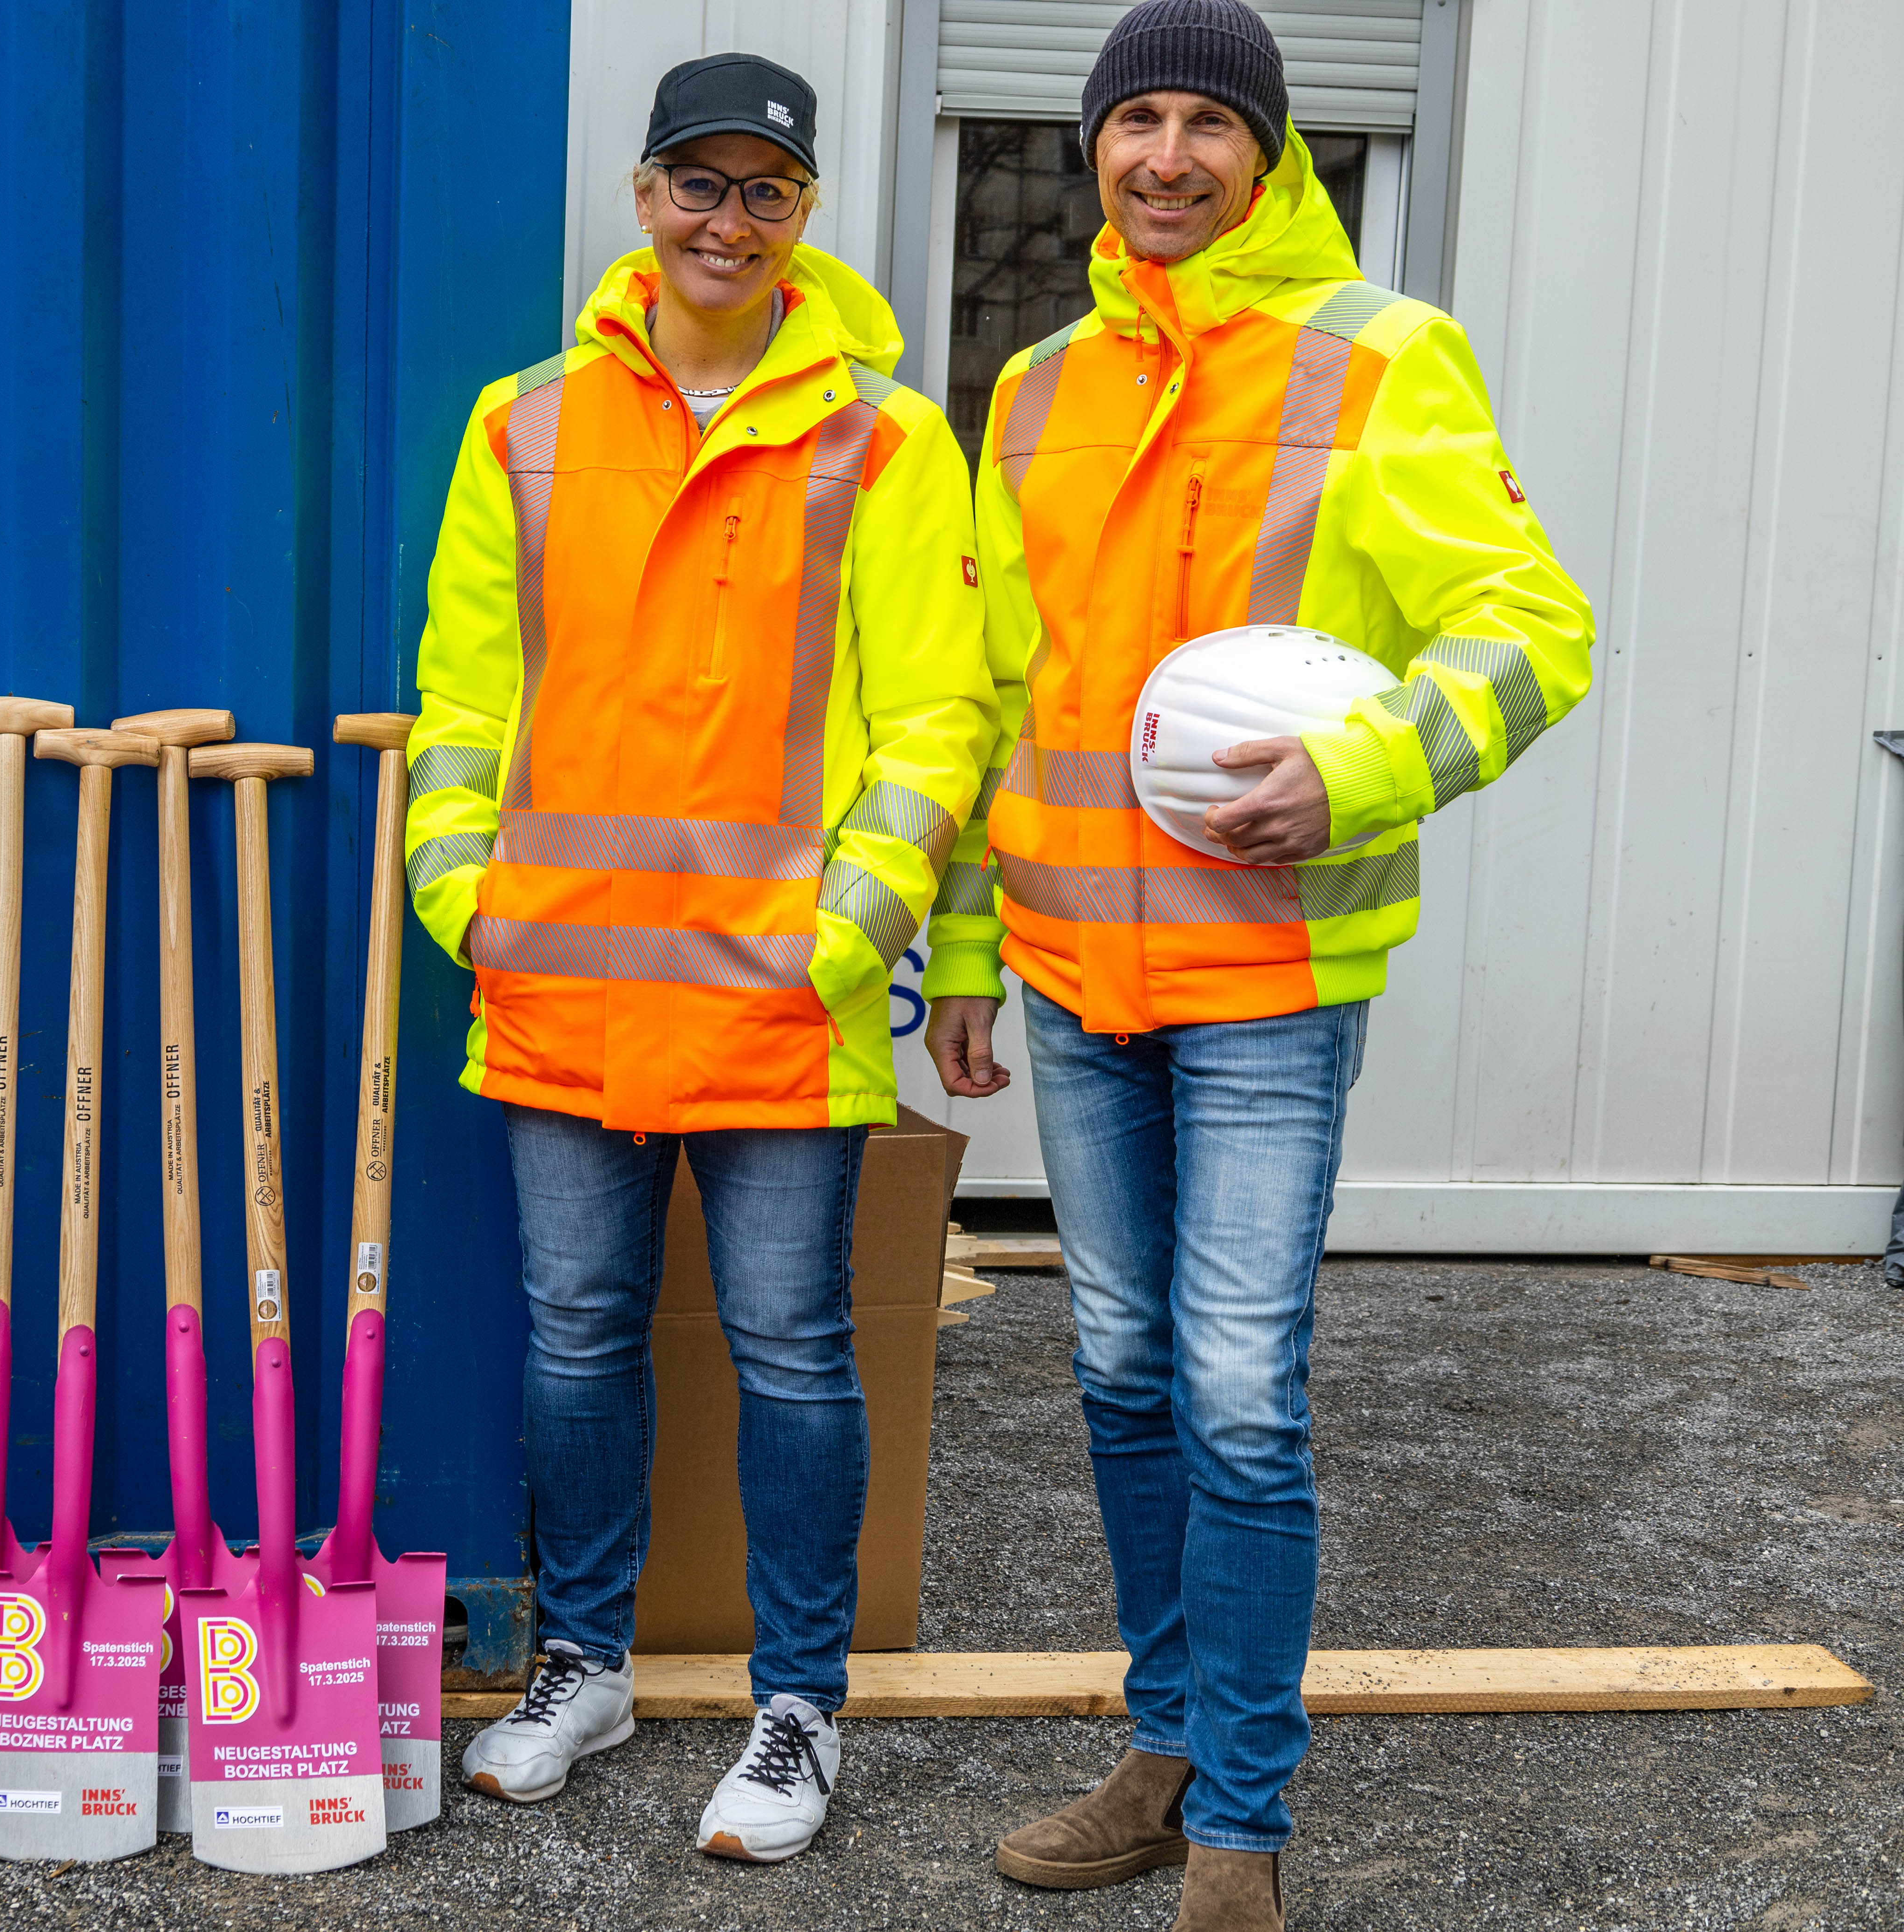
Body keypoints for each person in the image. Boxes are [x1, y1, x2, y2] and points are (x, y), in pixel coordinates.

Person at [927, 3, 1595, 1926]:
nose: (1166, 156)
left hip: (1269, 977)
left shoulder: (1381, 353)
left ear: (1273, 150)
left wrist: (1365, 768)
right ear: (1094, 145)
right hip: (1072, 967)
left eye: (1208, 123)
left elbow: (1531, 624)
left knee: (1236, 1390)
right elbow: (995, 691)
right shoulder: (1038, 382)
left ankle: (1239, 1820)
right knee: (1122, 1369)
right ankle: (1162, 1751)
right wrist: (964, 940)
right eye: (1134, 118)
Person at [402, 51, 995, 1863]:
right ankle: (583, 1661)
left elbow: (941, 718)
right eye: (698, 183)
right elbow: (464, 698)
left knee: (793, 1349)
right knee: (579, 1336)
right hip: (565, 978)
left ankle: (800, 1701)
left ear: (803, 212)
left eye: (765, 190)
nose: (727, 221)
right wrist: (463, 897)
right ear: (645, 195)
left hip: (776, 1000)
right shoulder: (524, 423)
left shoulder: (887, 440)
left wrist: (850, 930)